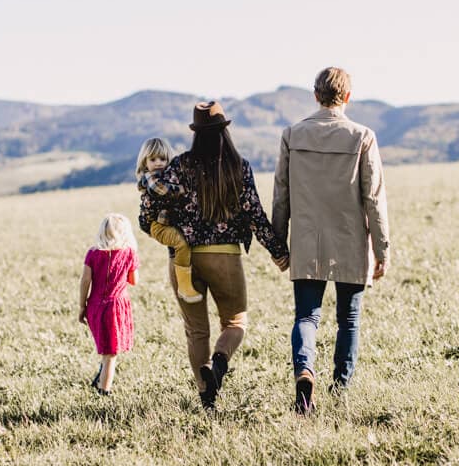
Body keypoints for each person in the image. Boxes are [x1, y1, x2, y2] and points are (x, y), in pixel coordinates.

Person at [139, 101, 289, 409]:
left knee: (196, 331)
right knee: (234, 323)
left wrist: (158, 227)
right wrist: (278, 252)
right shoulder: (239, 166)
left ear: (195, 133)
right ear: (225, 130)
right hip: (225, 257)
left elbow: (148, 211)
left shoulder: (179, 166)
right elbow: (254, 215)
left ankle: (206, 397)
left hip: (185, 259)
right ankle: (218, 363)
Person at [272, 67, 390, 415]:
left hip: (308, 242)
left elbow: (281, 195)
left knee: (307, 317)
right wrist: (382, 249)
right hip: (351, 242)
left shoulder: (292, 135)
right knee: (348, 321)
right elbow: (374, 198)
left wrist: (279, 244)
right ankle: (340, 389)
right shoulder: (362, 136)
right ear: (348, 97)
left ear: (315, 96)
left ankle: (305, 370)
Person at [78, 213, 140, 395]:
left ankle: (100, 374)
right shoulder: (129, 253)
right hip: (116, 307)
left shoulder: (93, 253)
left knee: (107, 347)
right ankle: (104, 392)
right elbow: (134, 280)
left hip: (96, 306)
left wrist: (82, 306)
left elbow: (85, 281)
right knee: (111, 353)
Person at [135, 137, 202, 303]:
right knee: (181, 244)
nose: (158, 163)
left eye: (163, 159)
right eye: (153, 159)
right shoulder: (150, 177)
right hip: (156, 225)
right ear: (145, 163)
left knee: (180, 244)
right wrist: (183, 189)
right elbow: (162, 190)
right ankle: (184, 287)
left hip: (164, 222)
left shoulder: (168, 175)